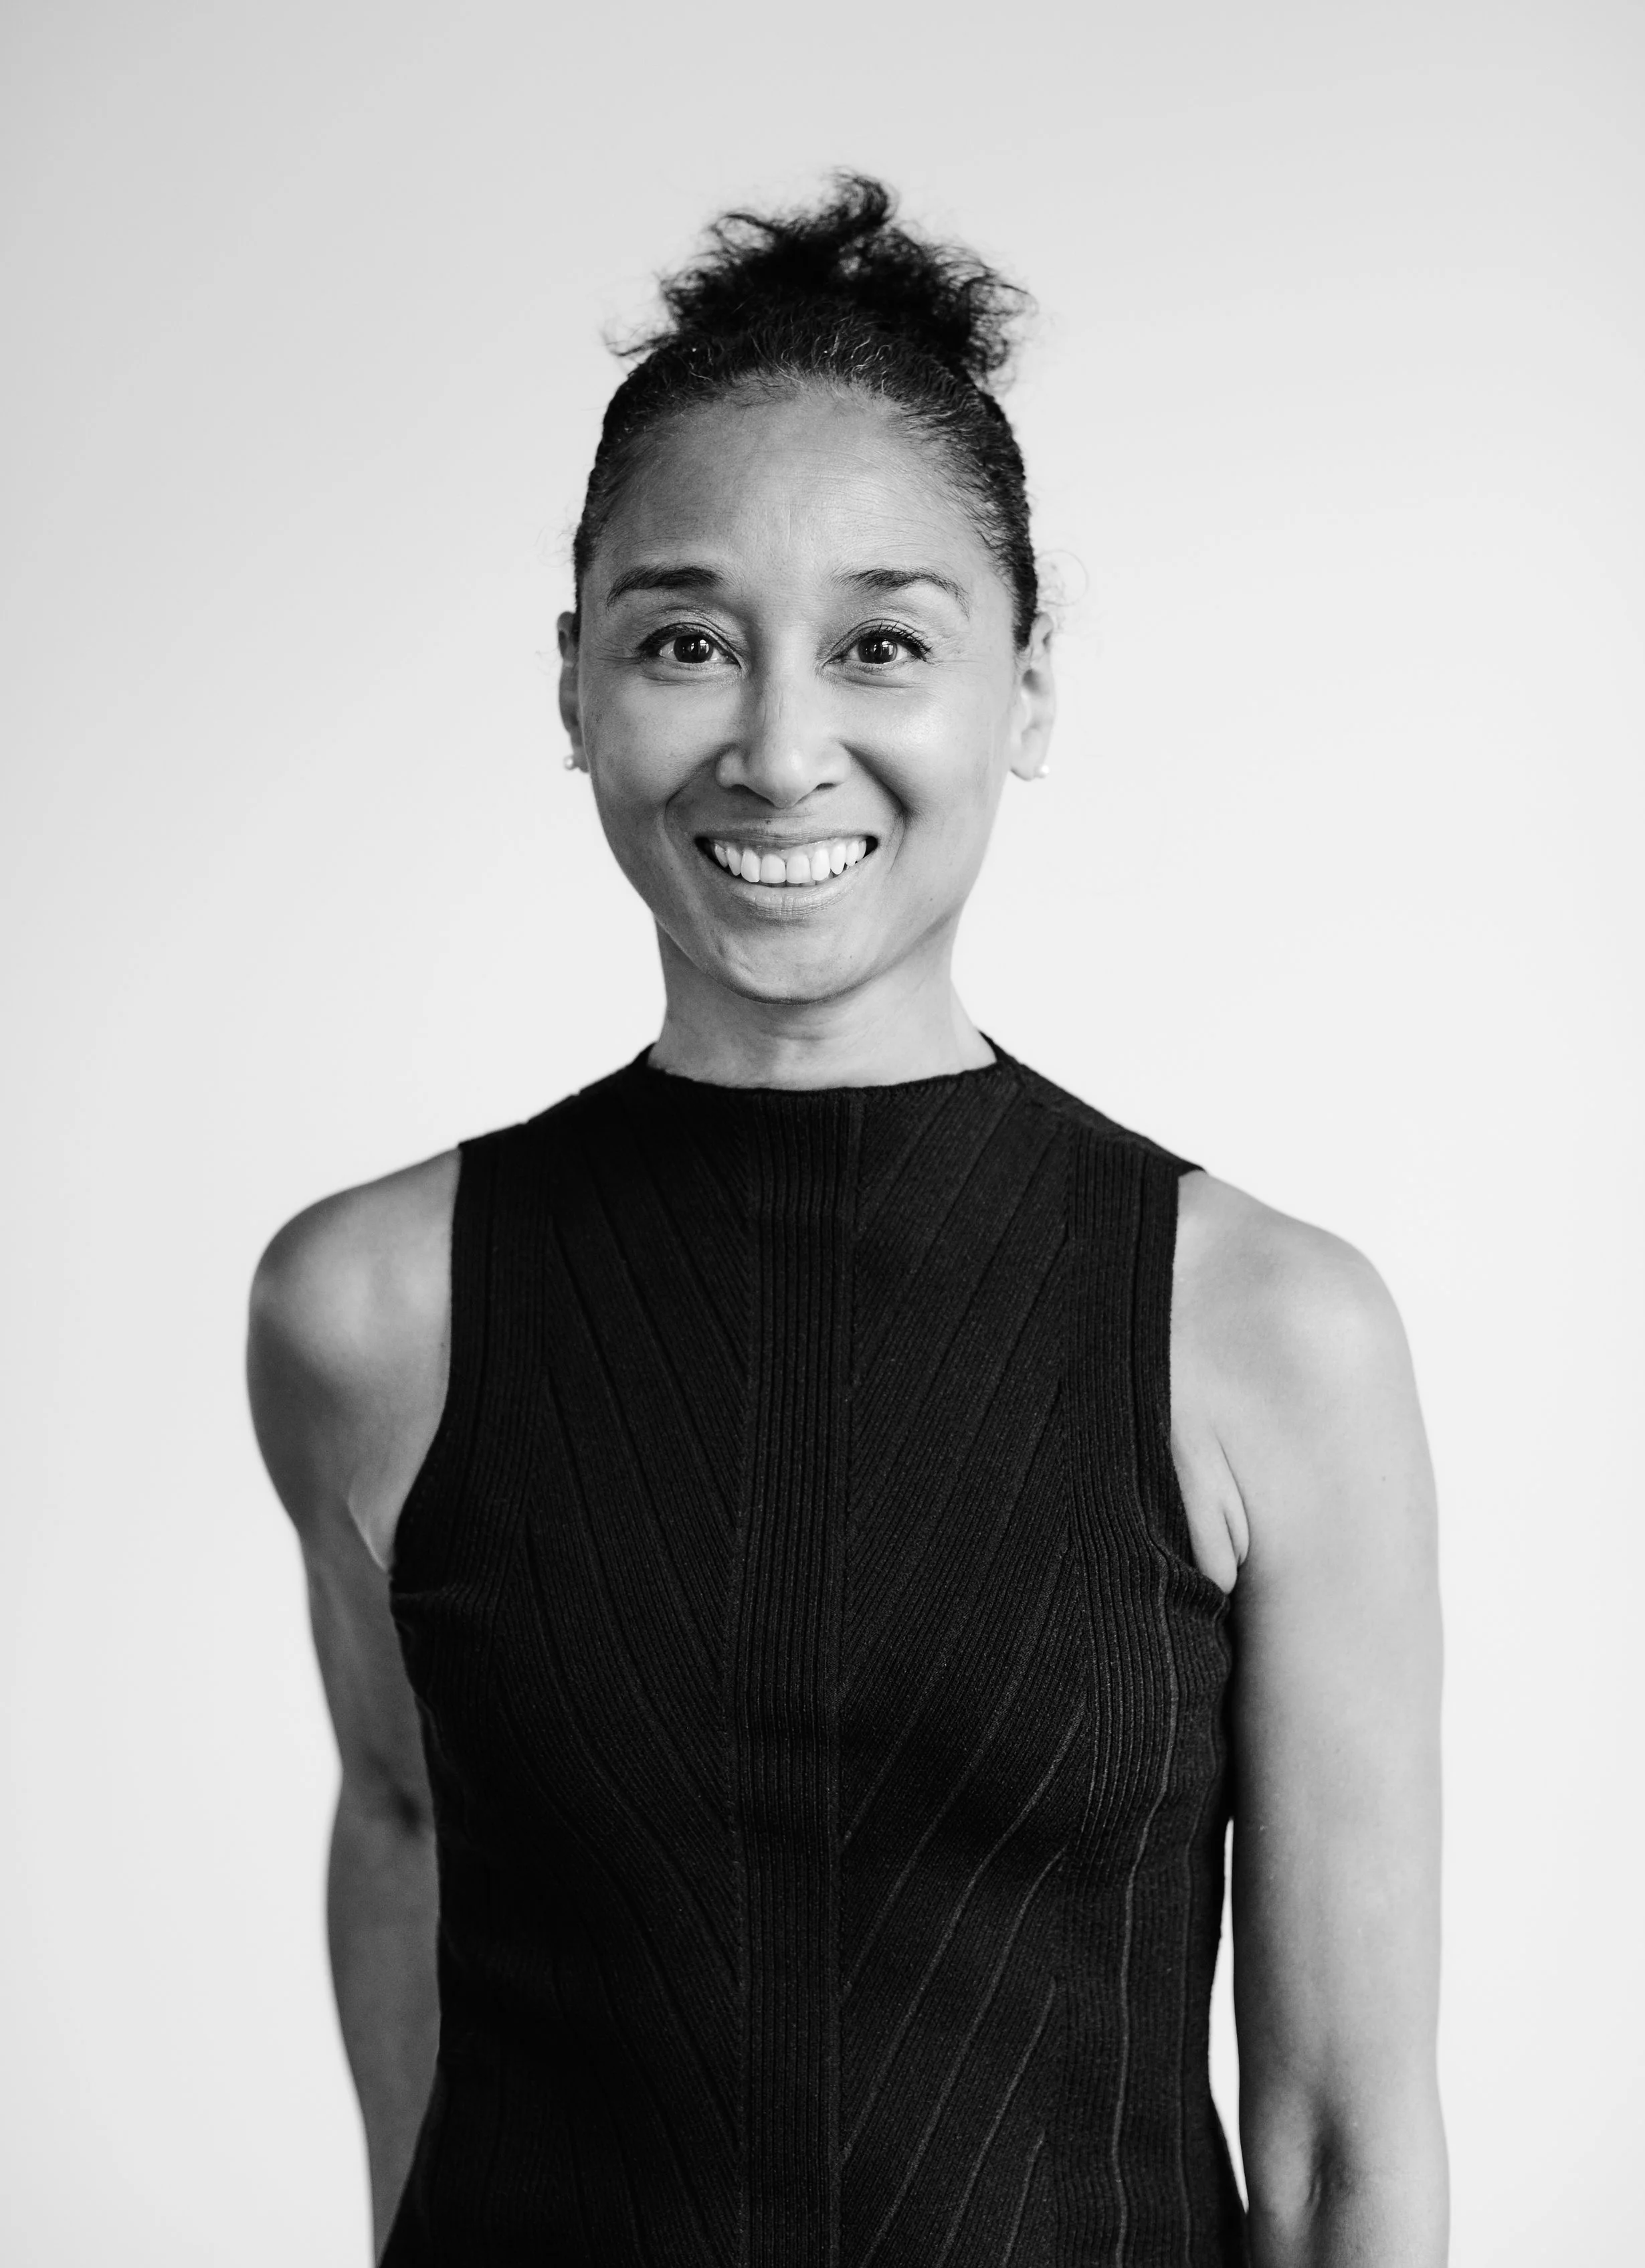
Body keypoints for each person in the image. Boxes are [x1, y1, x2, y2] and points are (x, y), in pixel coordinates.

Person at [247, 175, 1446, 2267]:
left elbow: (1346, 2141)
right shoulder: (368, 1307)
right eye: (685, 640)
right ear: (574, 684)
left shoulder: (1265, 1331)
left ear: (1024, 688)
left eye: (882, 640)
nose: (782, 747)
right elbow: (406, 1823)